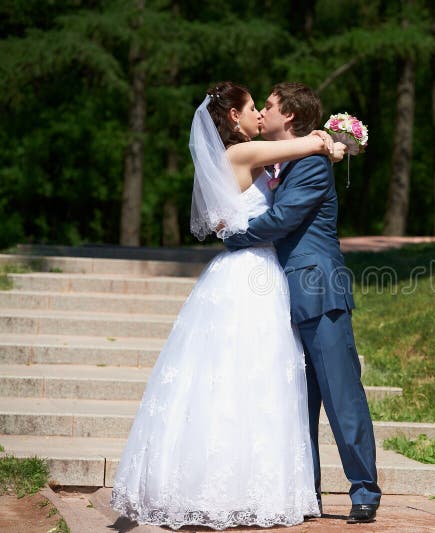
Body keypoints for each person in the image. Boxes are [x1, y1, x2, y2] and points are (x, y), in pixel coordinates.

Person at [111, 81, 345, 530]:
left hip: (255, 269)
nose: (260, 114)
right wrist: (329, 143)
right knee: (243, 372)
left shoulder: (245, 157)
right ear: (234, 118)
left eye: (264, 107)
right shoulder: (241, 155)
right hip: (249, 272)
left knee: (254, 375)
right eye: (254, 108)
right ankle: (225, 485)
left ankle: (246, 482)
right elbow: (306, 144)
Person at [224, 82, 381, 524]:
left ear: (289, 116)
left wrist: (233, 238)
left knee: (340, 393)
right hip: (279, 300)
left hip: (318, 293)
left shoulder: (310, 165)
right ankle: (305, 493)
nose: (263, 113)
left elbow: (282, 219)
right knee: (296, 404)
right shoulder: (280, 162)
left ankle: (364, 489)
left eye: (269, 106)